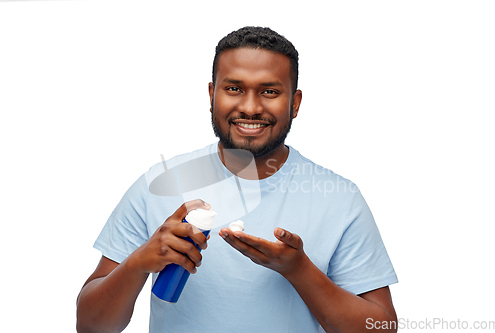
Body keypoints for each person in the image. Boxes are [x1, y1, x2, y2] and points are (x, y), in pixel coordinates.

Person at [76, 26, 398, 333]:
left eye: (269, 91)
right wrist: (137, 264)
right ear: (212, 94)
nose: (250, 107)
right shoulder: (159, 185)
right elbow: (90, 325)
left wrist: (300, 271)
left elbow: (381, 327)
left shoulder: (339, 199)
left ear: (295, 103)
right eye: (234, 89)